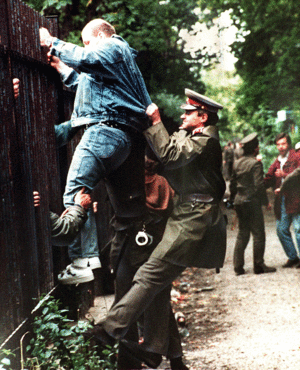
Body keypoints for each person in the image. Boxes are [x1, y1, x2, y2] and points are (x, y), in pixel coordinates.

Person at [83, 88, 227, 369]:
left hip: (193, 218)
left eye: (189, 112)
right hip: (183, 213)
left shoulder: (207, 141)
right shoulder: (192, 135)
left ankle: (108, 331)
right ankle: (157, 351)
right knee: (156, 281)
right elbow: (166, 148)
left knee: (150, 275)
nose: (183, 115)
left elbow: (170, 156)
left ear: (203, 117)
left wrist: (157, 119)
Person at [39, 18, 151, 284]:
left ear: (101, 36)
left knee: (74, 190)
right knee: (83, 191)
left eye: (87, 42)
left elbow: (87, 59)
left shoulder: (114, 46)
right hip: (118, 136)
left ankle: (82, 261)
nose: (85, 47)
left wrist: (50, 42)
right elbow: (88, 87)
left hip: (104, 132)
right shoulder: (120, 66)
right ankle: (87, 257)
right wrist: (60, 66)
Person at [229, 133, 276, 275]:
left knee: (242, 233)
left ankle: (238, 267)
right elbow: (259, 186)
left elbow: (232, 184)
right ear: (255, 149)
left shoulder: (237, 163)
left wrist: (233, 201)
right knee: (258, 234)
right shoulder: (255, 164)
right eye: (258, 146)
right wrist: (265, 202)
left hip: (239, 201)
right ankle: (259, 266)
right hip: (251, 202)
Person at [264, 133, 300, 267]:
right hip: (283, 200)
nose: (281, 147)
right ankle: (293, 257)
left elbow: (298, 174)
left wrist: (284, 174)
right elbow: (268, 179)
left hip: (297, 199)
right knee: (281, 230)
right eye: (278, 144)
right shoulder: (276, 162)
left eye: (283, 144)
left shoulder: (296, 157)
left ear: (289, 144)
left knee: (298, 229)